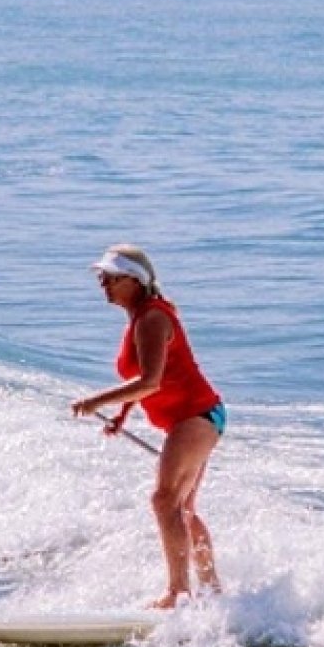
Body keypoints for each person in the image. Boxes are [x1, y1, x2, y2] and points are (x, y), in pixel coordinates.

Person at [71, 245, 226, 609]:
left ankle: (178, 593)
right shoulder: (141, 317)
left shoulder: (153, 318)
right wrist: (123, 416)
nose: (103, 284)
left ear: (134, 281)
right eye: (101, 278)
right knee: (181, 508)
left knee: (164, 500)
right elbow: (140, 377)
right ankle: (213, 591)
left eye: (110, 278)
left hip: (197, 416)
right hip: (198, 418)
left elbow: (150, 381)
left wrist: (96, 402)